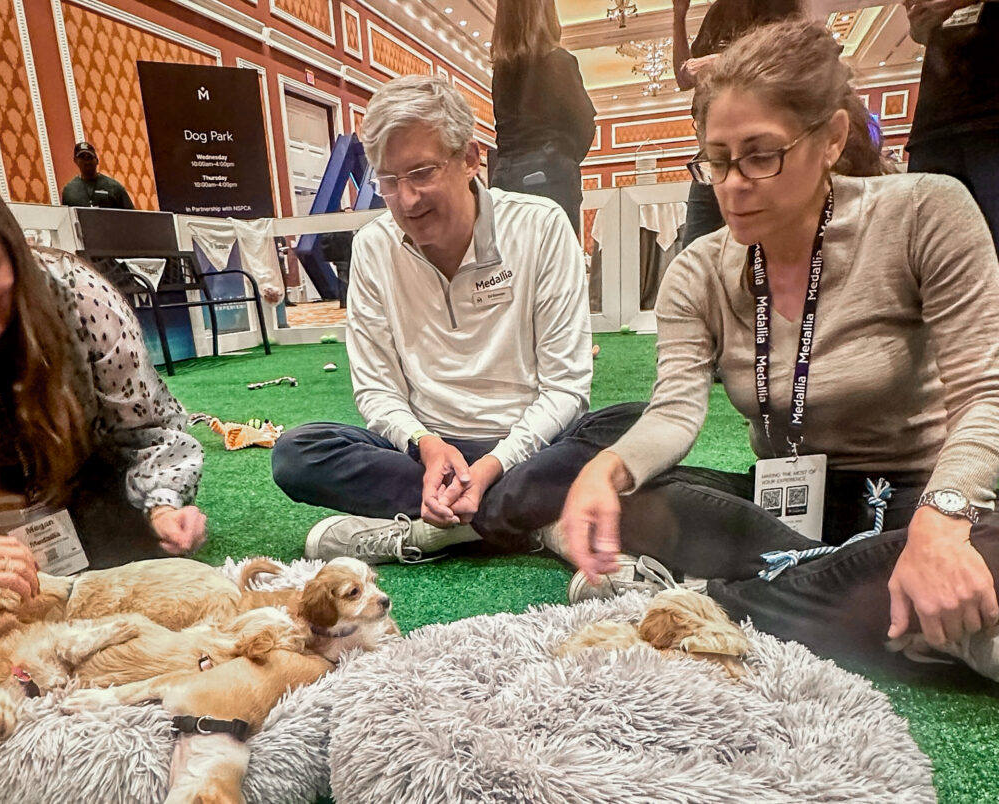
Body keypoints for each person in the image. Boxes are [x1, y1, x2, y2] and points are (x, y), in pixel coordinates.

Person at [558, 20, 999, 678]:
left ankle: (715, 602)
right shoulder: (698, 268)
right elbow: (675, 412)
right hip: (783, 506)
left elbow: (984, 395)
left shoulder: (923, 211)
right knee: (628, 503)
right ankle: (901, 617)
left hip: (913, 498)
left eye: (761, 155)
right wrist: (607, 470)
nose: (732, 184)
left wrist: (941, 524)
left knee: (980, 547)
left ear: (832, 139)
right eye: (716, 160)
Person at [271, 75, 642, 564]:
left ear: (469, 159)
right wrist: (424, 444)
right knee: (296, 453)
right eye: (389, 181)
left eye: (421, 172)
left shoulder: (540, 225)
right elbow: (377, 389)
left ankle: (436, 532)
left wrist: (493, 465)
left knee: (640, 425)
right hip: (426, 456)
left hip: (533, 447)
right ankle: (533, 520)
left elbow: (566, 388)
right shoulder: (374, 246)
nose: (407, 200)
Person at [0, 172, 206, 600]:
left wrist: (161, 504)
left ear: (13, 250)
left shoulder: (81, 297)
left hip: (81, 498)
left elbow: (147, 430)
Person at [673, 0, 804, 247]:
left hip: (758, 150)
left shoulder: (775, 5)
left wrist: (720, 63)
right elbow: (683, 78)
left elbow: (791, 52)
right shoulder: (717, 12)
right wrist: (679, 15)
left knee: (765, 245)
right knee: (694, 249)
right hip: (712, 157)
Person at [489, 0, 595, 235]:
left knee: (512, 253)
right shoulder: (559, 61)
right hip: (552, 175)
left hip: (505, 176)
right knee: (558, 252)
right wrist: (562, 158)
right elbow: (585, 125)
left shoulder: (500, 72)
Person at [903, 0, 999, 252]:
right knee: (930, 254)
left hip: (989, 120)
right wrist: (921, 25)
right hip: (933, 123)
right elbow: (921, 30)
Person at [61, 142, 135, 209]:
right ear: (75, 161)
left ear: (96, 160)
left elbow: (132, 216)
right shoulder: (69, 191)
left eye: (89, 157)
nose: (87, 161)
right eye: (82, 158)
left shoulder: (114, 188)